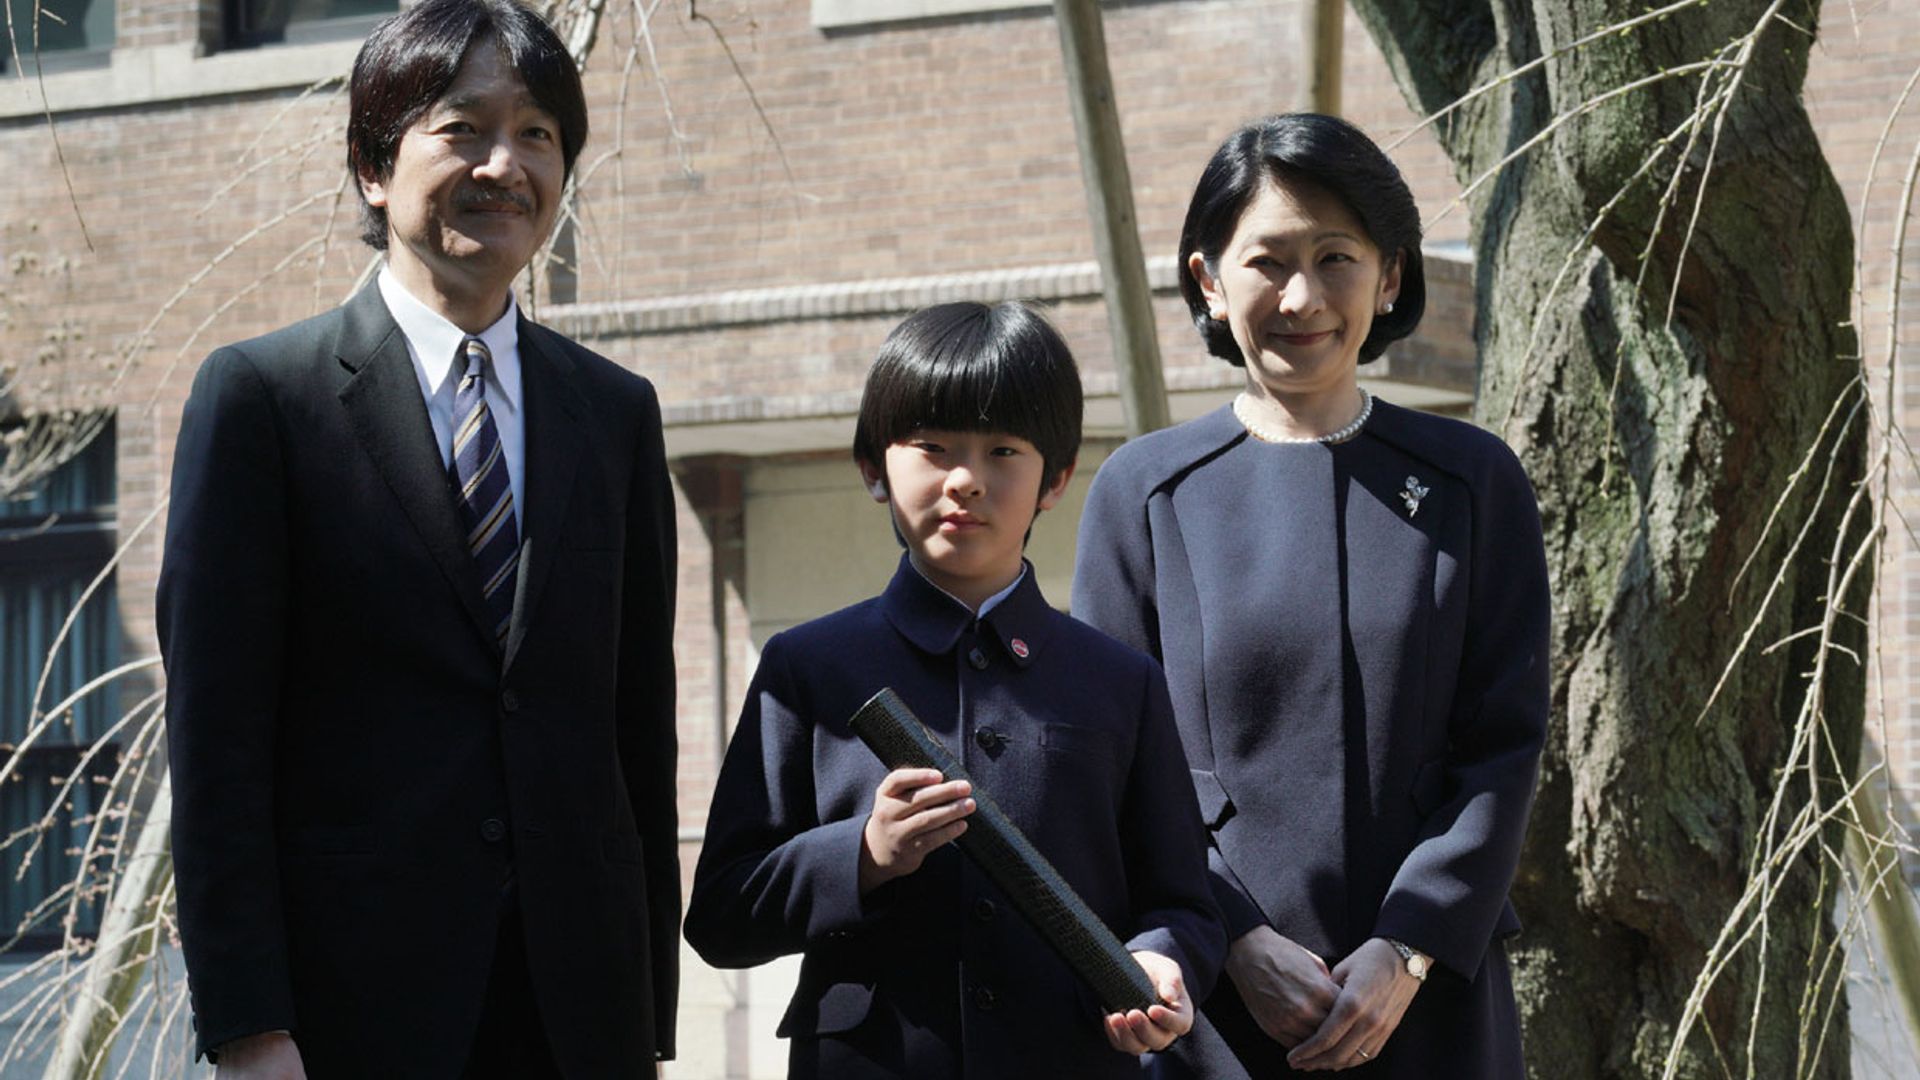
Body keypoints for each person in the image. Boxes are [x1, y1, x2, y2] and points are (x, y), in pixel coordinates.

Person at [156, 0, 679, 1075]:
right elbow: (217, 745)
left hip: (577, 1015)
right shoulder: (266, 399)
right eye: (464, 127)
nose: (505, 163)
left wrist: (646, 1017)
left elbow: (637, 733)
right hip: (354, 1014)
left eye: (538, 133)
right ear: (372, 166)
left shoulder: (615, 413)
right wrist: (250, 1026)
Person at [1072, 113, 1549, 1078]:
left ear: (1392, 274)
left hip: (1429, 1005)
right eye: (1268, 261)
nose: (1302, 295)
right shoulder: (1144, 490)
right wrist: (1235, 943)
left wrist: (1406, 947)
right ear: (1208, 279)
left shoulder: (1472, 480)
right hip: (1207, 1002)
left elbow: (1503, 746)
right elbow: (1113, 765)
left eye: (1336, 257)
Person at [684, 301, 1226, 1079]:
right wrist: (863, 855)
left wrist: (1166, 962)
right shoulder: (808, 667)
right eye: (933, 448)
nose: (967, 480)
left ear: (1057, 478)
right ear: (874, 468)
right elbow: (722, 916)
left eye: (1004, 449)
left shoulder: (1120, 682)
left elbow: (1184, 905)